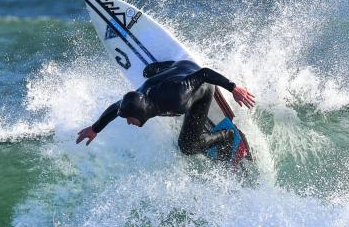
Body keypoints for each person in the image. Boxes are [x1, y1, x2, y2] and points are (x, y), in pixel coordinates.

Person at [76, 59, 256, 158]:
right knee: (148, 72)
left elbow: (204, 73)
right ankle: (156, 67)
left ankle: (226, 135)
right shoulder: (137, 98)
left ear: (139, 112)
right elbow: (115, 109)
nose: (129, 123)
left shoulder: (176, 97)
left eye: (129, 119)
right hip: (177, 69)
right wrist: (94, 129)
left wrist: (233, 88)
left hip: (201, 88)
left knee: (187, 146)